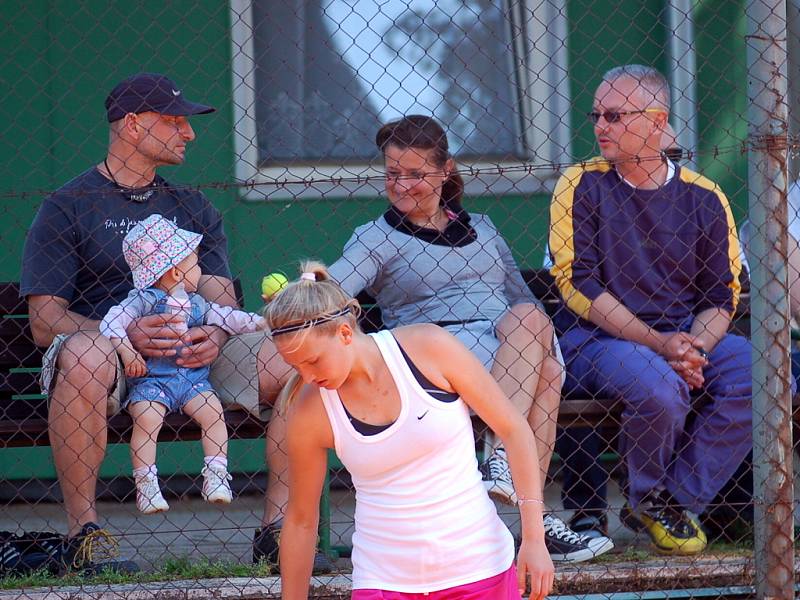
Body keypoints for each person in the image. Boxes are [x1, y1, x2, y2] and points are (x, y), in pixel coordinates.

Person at [19, 73, 332, 574]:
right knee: (83, 353)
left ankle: (280, 532)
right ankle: (86, 536)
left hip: (193, 352)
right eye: (175, 121)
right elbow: (44, 320)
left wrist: (218, 332)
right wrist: (118, 335)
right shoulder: (68, 205)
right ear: (134, 126)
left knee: (297, 360)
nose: (189, 133)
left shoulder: (192, 205)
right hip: (113, 359)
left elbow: (221, 296)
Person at [327, 115, 612, 562]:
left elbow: (522, 300)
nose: (402, 186)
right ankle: (526, 503)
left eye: (416, 174)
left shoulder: (483, 228)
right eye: (392, 174)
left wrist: (537, 347)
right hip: (437, 357)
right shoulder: (376, 238)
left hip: (506, 352)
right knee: (545, 365)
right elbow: (336, 287)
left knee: (535, 333)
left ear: (445, 171)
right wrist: (306, 290)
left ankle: (504, 469)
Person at [549, 64, 752, 556]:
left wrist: (695, 346)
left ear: (657, 122)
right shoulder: (581, 184)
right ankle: (648, 493)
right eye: (596, 114)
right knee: (659, 386)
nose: (600, 125)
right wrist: (664, 346)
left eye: (615, 115)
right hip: (597, 339)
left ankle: (672, 500)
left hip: (685, 331)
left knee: (765, 377)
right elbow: (577, 285)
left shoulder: (706, 196)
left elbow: (721, 293)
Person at [265, 262, 554, 600]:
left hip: (480, 569)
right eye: (295, 366)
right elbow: (301, 520)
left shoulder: (428, 347)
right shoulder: (310, 408)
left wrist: (534, 539)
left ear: (345, 333)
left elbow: (514, 428)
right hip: (383, 582)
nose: (308, 376)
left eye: (312, 361)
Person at [543, 120, 687, 541]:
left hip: (667, 336)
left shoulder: (691, 199)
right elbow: (576, 284)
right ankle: (588, 510)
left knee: (728, 374)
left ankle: (683, 504)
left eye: (672, 158)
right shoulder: (587, 195)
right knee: (583, 382)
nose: (664, 166)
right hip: (590, 334)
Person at [100, 214, 267, 514]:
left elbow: (231, 318)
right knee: (147, 420)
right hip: (152, 381)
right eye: (195, 263)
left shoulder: (199, 304)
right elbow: (110, 323)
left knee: (214, 413)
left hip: (193, 381)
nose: (200, 270)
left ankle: (216, 476)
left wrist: (262, 323)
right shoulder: (141, 301)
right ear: (176, 273)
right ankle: (147, 486)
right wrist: (128, 352)